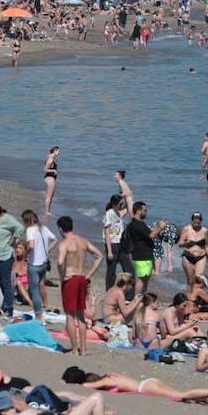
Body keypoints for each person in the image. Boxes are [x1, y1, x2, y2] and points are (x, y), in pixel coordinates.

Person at [61, 367, 208, 406]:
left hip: (145, 388)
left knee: (181, 395)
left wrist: (79, 384)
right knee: (181, 397)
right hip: (148, 383)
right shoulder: (110, 376)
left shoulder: (105, 381)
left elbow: (91, 386)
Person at [56, 215, 102, 356]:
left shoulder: (64, 244)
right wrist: (88, 275)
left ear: (60, 229)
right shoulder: (83, 241)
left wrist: (61, 275)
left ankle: (75, 349)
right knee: (81, 315)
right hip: (82, 278)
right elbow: (99, 256)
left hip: (70, 278)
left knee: (70, 315)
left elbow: (59, 262)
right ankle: (84, 348)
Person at [122, 200, 164, 297]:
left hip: (143, 255)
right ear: (138, 211)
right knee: (141, 279)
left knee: (145, 278)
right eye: (144, 210)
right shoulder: (138, 224)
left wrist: (158, 227)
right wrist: (160, 228)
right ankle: (138, 298)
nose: (146, 212)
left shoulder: (137, 223)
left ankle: (142, 297)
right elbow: (152, 235)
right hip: (141, 256)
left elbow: (148, 231)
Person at [100, 195, 126, 292]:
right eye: (120, 204)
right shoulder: (109, 214)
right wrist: (109, 251)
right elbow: (106, 233)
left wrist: (125, 194)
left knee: (128, 268)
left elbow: (128, 207)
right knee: (111, 270)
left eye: (122, 204)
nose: (122, 206)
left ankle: (124, 291)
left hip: (120, 244)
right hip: (112, 245)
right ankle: (109, 291)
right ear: (114, 204)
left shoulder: (118, 213)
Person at [177, 212, 208, 286]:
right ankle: (190, 295)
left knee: (199, 278)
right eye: (194, 222)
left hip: (201, 256)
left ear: (201, 221)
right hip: (188, 256)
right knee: (190, 279)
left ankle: (197, 295)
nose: (196, 224)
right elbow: (180, 244)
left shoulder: (205, 230)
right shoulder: (186, 229)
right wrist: (186, 243)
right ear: (192, 221)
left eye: (198, 223)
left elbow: (206, 245)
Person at [42, 146, 60, 217]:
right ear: (55, 151)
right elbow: (44, 169)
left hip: (51, 178)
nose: (59, 153)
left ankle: (48, 211)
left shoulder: (52, 158)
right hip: (49, 178)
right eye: (58, 151)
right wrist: (53, 170)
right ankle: (46, 212)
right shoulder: (50, 159)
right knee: (49, 196)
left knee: (51, 196)